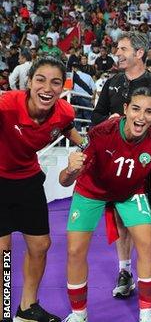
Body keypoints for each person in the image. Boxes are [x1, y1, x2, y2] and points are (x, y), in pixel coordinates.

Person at [59, 87, 151, 322]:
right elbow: (64, 181)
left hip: (130, 193)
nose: (141, 117)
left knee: (148, 244)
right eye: (136, 109)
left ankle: (147, 313)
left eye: (149, 112)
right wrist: (70, 170)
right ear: (126, 109)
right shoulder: (101, 133)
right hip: (91, 190)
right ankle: (79, 314)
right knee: (75, 250)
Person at [92, 31, 151, 299]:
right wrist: (112, 123)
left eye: (122, 49)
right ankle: (125, 271)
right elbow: (96, 116)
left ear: (139, 53)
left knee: (150, 219)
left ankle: (150, 272)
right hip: (117, 162)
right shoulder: (112, 83)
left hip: (148, 161)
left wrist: (141, 127)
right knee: (120, 217)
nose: (117, 53)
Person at [0, 56, 82, 322]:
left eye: (55, 82)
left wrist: (86, 144)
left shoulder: (65, 111)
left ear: (62, 87)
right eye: (41, 80)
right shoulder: (6, 106)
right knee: (4, 253)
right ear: (29, 82)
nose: (47, 88)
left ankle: (27, 308)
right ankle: (3, 311)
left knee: (40, 245)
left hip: (28, 179)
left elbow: (66, 127)